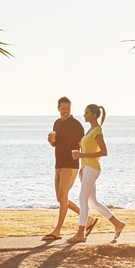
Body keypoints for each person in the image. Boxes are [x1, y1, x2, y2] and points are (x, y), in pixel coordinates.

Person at [67, 103, 125, 243]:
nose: (84, 115)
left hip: (93, 168)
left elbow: (104, 152)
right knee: (92, 202)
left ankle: (80, 234)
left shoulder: (97, 130)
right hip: (87, 168)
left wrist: (82, 157)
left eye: (86, 113)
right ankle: (117, 224)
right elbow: (87, 151)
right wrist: (82, 166)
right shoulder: (91, 130)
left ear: (94, 115)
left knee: (82, 198)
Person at [42, 96, 85, 242]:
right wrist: (51, 142)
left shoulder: (76, 125)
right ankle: (88, 218)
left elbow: (82, 145)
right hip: (58, 164)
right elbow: (56, 144)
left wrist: (83, 165)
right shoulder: (57, 124)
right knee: (61, 199)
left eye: (68, 108)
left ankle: (57, 231)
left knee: (63, 196)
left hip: (71, 164)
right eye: (63, 108)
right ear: (58, 108)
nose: (66, 111)